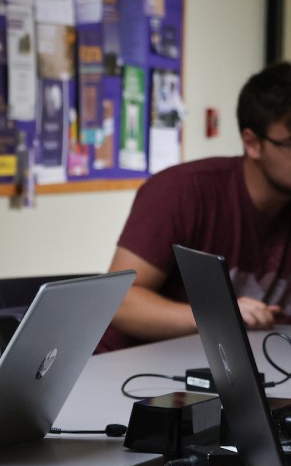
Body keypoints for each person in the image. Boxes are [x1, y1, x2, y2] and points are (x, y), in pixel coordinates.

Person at [99, 61, 291, 353]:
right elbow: (121, 302)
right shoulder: (183, 190)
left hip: (251, 374)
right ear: (252, 143)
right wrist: (219, 318)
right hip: (139, 375)